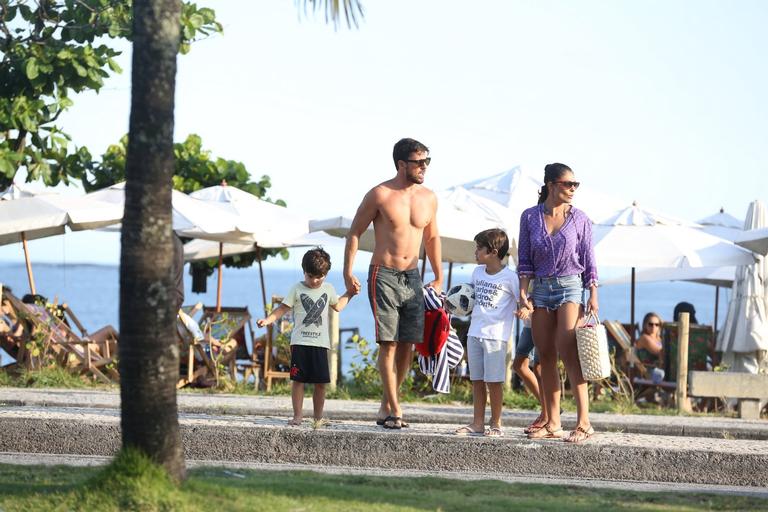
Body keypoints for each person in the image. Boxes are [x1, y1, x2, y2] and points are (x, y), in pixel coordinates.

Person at [343, 137, 443, 430]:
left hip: (413, 277)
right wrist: (348, 272)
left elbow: (432, 237)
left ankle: (388, 403)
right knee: (388, 343)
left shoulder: (429, 197)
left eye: (427, 161)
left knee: (407, 345)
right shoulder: (380, 194)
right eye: (419, 162)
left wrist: (437, 275)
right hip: (383, 273)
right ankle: (396, 409)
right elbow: (354, 233)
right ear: (402, 164)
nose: (424, 167)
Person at [517, 163, 598, 444]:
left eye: (576, 185)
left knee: (568, 351)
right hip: (540, 290)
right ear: (551, 185)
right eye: (568, 184)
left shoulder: (580, 219)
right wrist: (523, 292)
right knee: (545, 357)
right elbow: (525, 259)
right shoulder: (529, 217)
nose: (573, 189)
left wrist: (593, 294)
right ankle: (552, 422)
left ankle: (584, 423)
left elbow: (589, 259)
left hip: (570, 287)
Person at [257, 248, 354, 426]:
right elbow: (282, 309)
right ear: (304, 271)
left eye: (320, 277)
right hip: (300, 342)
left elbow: (338, 306)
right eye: (310, 276)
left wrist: (350, 294)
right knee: (298, 381)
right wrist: (268, 319)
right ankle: (298, 416)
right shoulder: (297, 288)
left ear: (326, 274)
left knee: (320, 384)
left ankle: (318, 417)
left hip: (320, 344)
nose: (315, 281)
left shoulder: (329, 289)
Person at [454, 229, 527, 437]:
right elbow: (469, 298)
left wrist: (524, 309)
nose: (475, 252)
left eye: (479, 248)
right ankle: (477, 423)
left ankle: (496, 424)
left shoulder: (510, 277)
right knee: (476, 380)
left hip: (496, 337)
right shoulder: (477, 273)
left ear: (493, 252)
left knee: (494, 382)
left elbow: (523, 300)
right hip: (474, 333)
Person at [512, 316, 547, 434]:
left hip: (543, 321)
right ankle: (548, 410)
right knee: (519, 365)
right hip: (529, 324)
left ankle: (547, 415)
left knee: (539, 368)